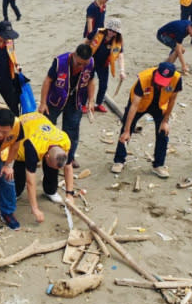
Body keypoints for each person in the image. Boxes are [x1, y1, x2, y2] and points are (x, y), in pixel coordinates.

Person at [111, 61, 182, 179]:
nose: (161, 84)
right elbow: (134, 106)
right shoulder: (144, 78)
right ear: (156, 73)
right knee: (125, 131)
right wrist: (128, 130)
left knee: (163, 132)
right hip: (140, 104)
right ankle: (119, 160)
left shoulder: (177, 79)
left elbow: (172, 100)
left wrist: (165, 121)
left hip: (160, 105)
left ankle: (159, 165)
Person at [39, 43, 95, 181]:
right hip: (56, 98)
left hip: (76, 99)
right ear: (74, 55)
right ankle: (42, 155)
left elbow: (91, 81)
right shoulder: (60, 62)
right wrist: (43, 102)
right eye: (79, 63)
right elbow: (48, 81)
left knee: (72, 130)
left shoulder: (90, 63)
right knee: (47, 127)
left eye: (84, 64)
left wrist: (91, 100)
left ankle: (69, 158)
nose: (81, 67)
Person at [11, 112, 71, 223]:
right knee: (20, 166)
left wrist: (69, 194)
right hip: (24, 130)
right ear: (46, 156)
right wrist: (35, 209)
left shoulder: (65, 140)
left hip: (40, 123)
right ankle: (16, 191)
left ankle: (50, 191)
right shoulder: (32, 147)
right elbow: (30, 181)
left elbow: (68, 167)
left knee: (53, 167)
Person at [87, 17, 125, 113]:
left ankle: (98, 104)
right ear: (107, 28)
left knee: (103, 85)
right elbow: (86, 42)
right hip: (91, 61)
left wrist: (122, 71)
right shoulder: (97, 32)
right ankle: (83, 103)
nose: (112, 33)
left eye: (114, 32)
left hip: (103, 64)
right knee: (86, 82)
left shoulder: (118, 41)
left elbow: (120, 55)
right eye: (110, 30)